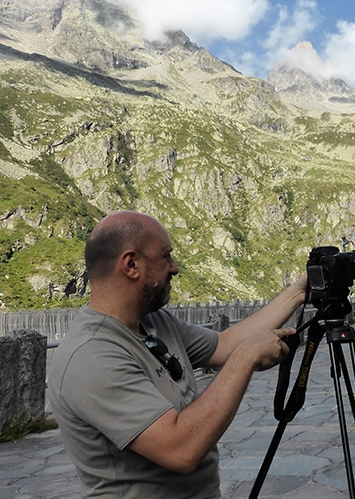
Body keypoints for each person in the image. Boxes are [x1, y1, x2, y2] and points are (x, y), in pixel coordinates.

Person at [48, 211, 308, 498]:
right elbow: (180, 449)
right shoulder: (91, 356)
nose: (175, 268)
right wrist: (246, 358)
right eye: (165, 256)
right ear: (131, 264)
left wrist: (297, 292)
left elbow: (224, 344)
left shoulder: (154, 322)